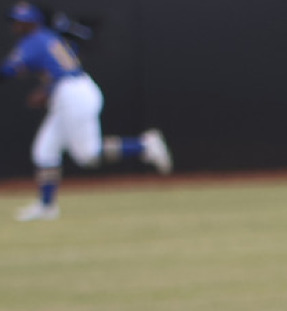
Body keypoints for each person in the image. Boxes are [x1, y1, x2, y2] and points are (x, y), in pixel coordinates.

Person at [2, 1, 170, 222]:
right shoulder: (47, 38)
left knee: (88, 155)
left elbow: (7, 71)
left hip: (73, 96)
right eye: (14, 21)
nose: (15, 26)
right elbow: (65, 63)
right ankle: (46, 206)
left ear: (31, 23)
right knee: (45, 151)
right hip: (71, 91)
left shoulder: (33, 41)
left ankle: (144, 145)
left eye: (20, 22)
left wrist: (49, 88)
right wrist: (48, 88)